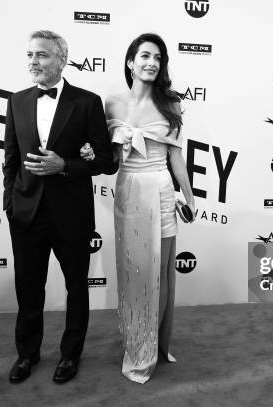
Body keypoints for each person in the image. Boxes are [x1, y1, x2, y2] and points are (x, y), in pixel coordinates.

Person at [80, 33, 195, 384]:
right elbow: (112, 159)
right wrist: (92, 156)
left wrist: (189, 197)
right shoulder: (111, 103)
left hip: (160, 190)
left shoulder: (170, 102)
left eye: (158, 57)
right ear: (130, 62)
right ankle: (136, 345)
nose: (152, 62)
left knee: (159, 274)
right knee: (134, 274)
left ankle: (156, 344)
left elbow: (176, 157)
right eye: (145, 55)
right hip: (128, 191)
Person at [3, 30, 116, 384]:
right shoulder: (17, 101)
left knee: (76, 287)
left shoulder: (87, 102)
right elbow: (10, 160)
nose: (33, 61)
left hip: (71, 213)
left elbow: (104, 160)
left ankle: (70, 354)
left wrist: (64, 165)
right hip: (25, 211)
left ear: (62, 60)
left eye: (42, 55)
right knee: (28, 287)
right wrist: (10, 202)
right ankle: (27, 353)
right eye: (30, 55)